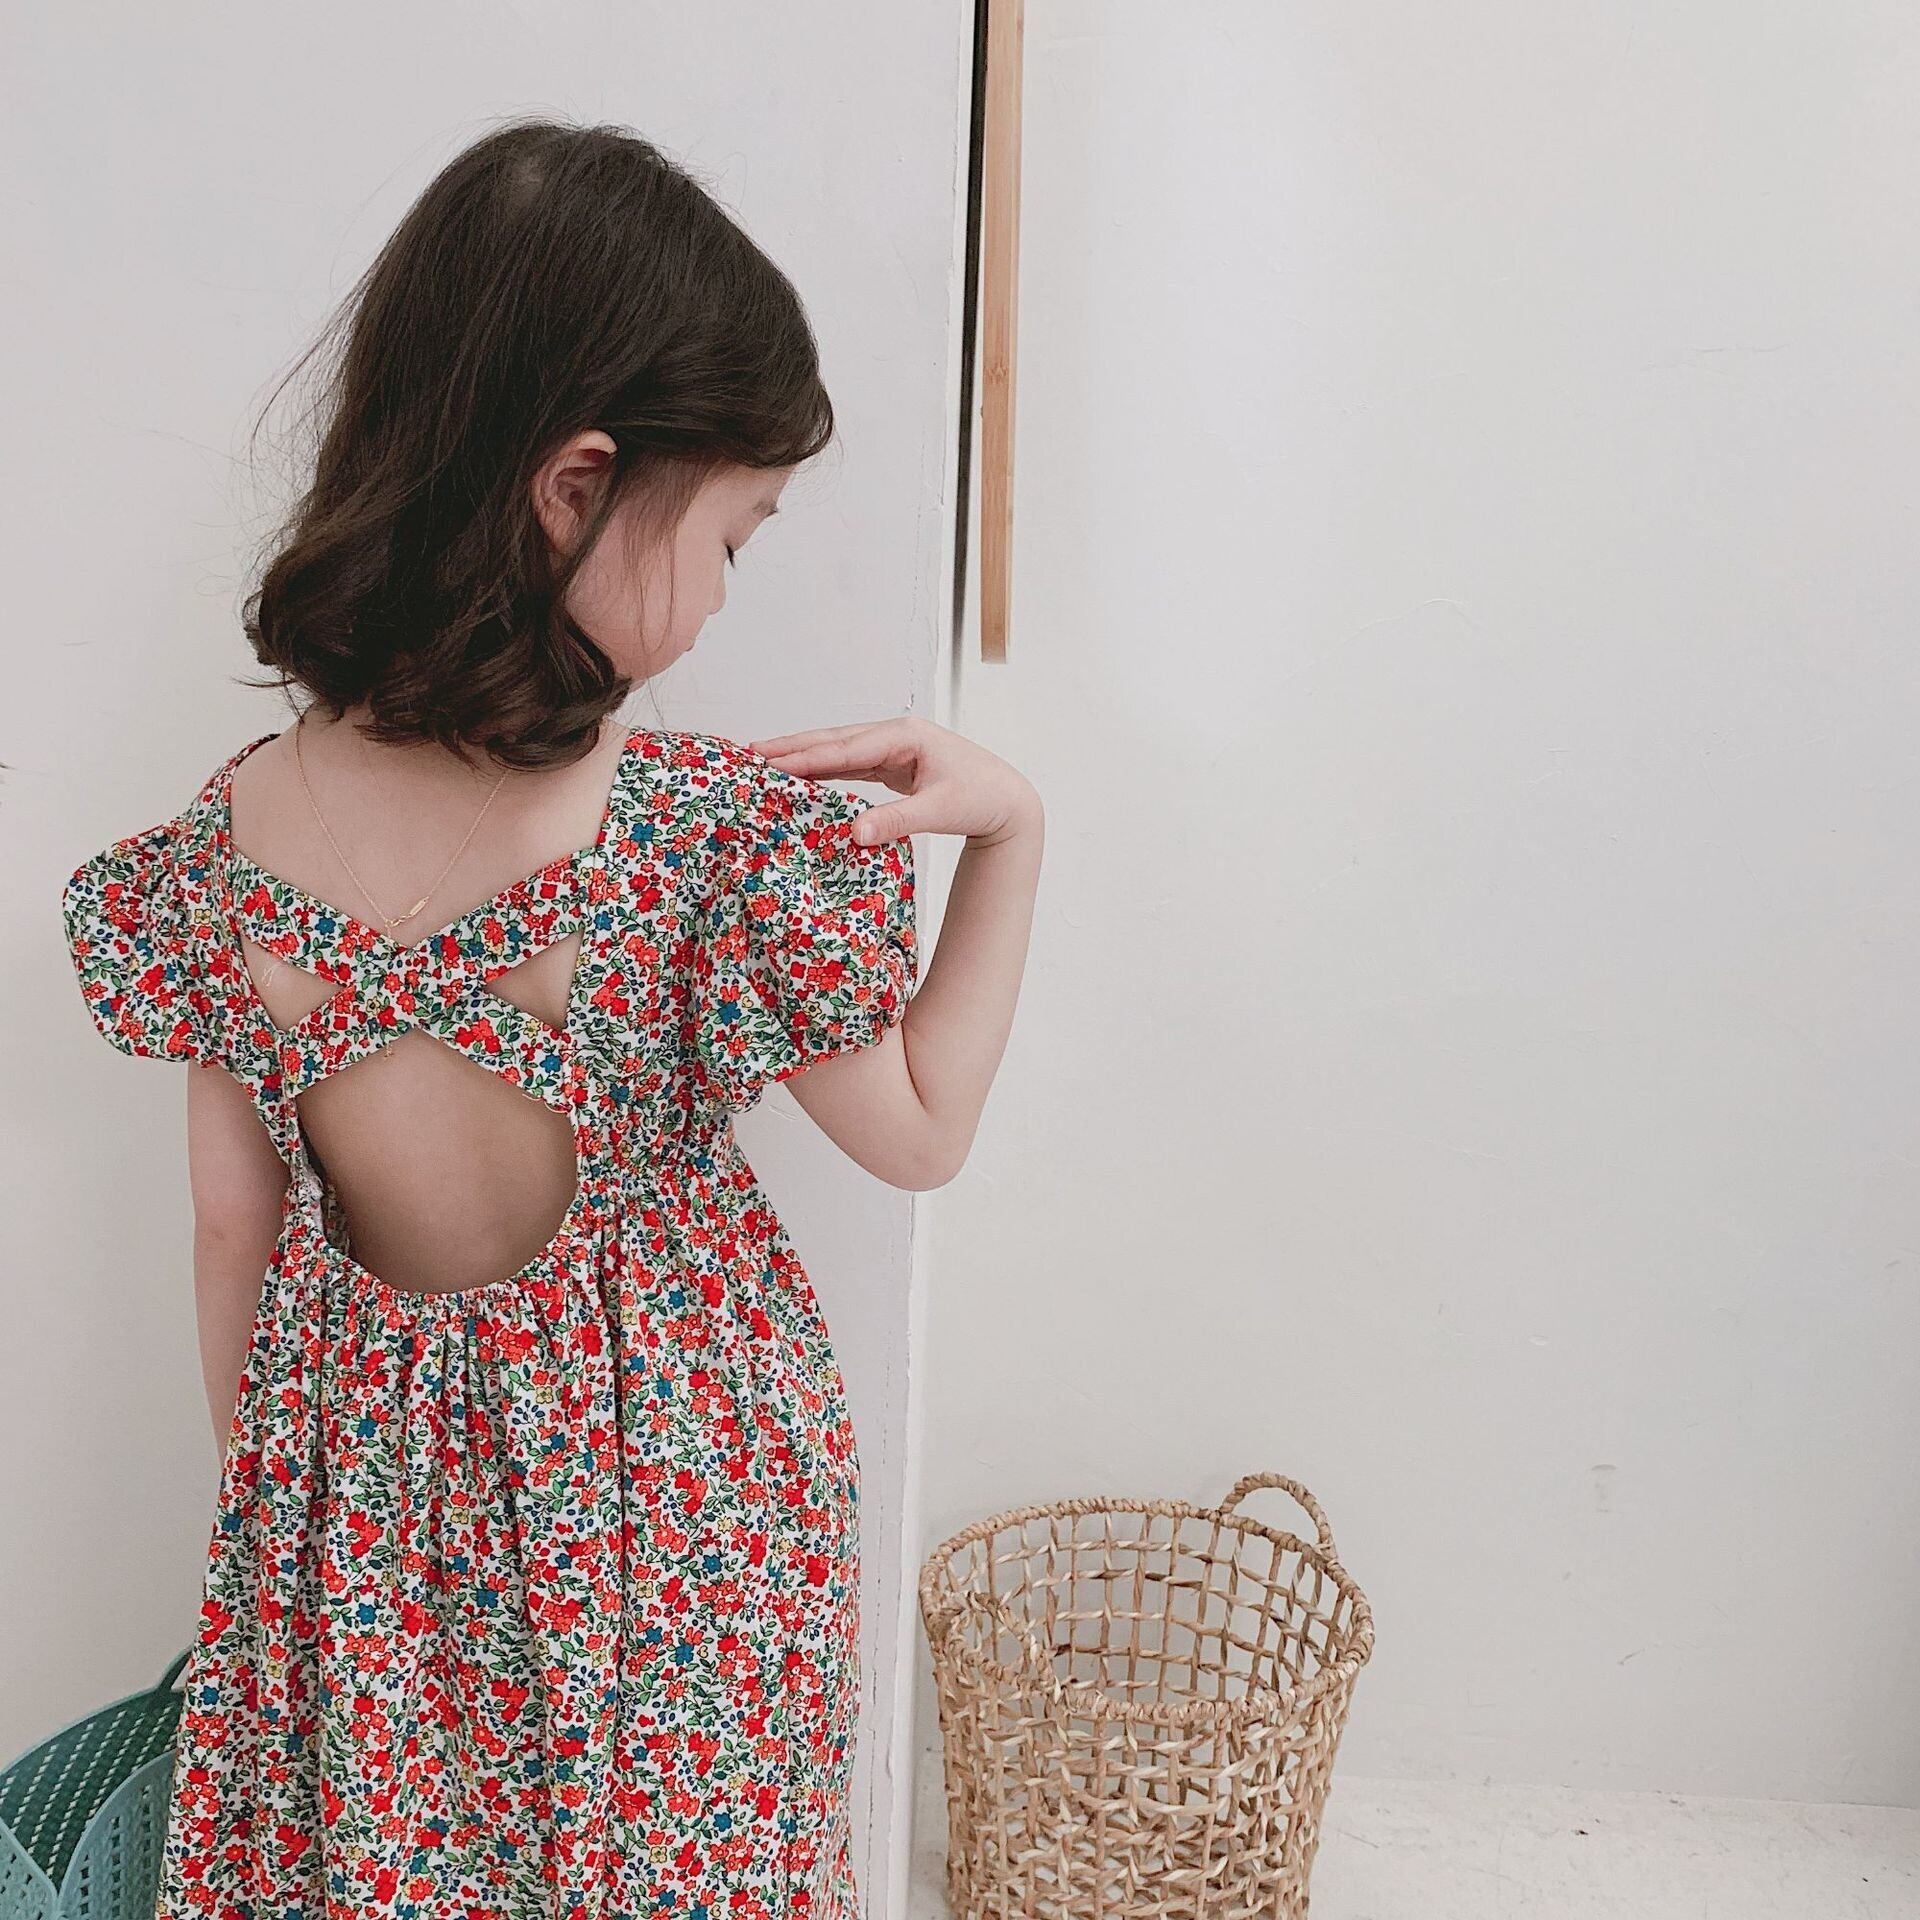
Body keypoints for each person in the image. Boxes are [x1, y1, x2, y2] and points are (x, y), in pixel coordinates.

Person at [57, 118, 1042, 1920]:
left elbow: (230, 1223)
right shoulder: (701, 840)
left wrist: (292, 1526)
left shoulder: (217, 855)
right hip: (684, 1539)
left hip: (364, 1534)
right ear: (576, 484)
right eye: (732, 534)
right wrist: (1011, 838)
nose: (727, 592)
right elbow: (921, 1131)